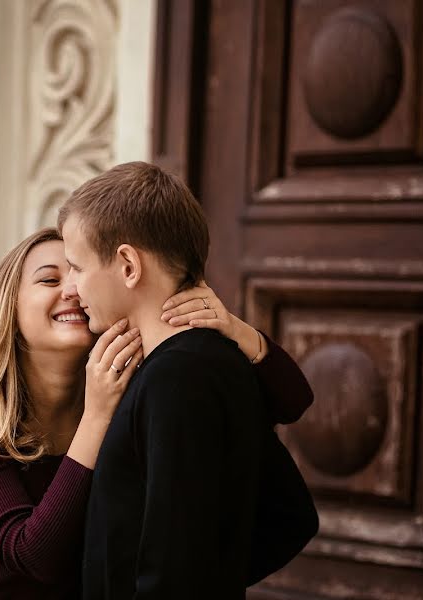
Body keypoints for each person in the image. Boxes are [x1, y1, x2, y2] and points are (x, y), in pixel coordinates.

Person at [0, 227, 316, 600]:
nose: (70, 290)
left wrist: (236, 331)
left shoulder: (140, 390)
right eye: (50, 280)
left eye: (76, 275)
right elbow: (33, 555)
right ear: (9, 307)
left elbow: (291, 404)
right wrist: (96, 417)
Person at [58, 161, 317, 599]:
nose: (70, 287)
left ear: (127, 265)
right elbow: (290, 518)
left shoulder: (180, 379)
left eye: (77, 267)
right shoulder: (184, 366)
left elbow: (175, 571)